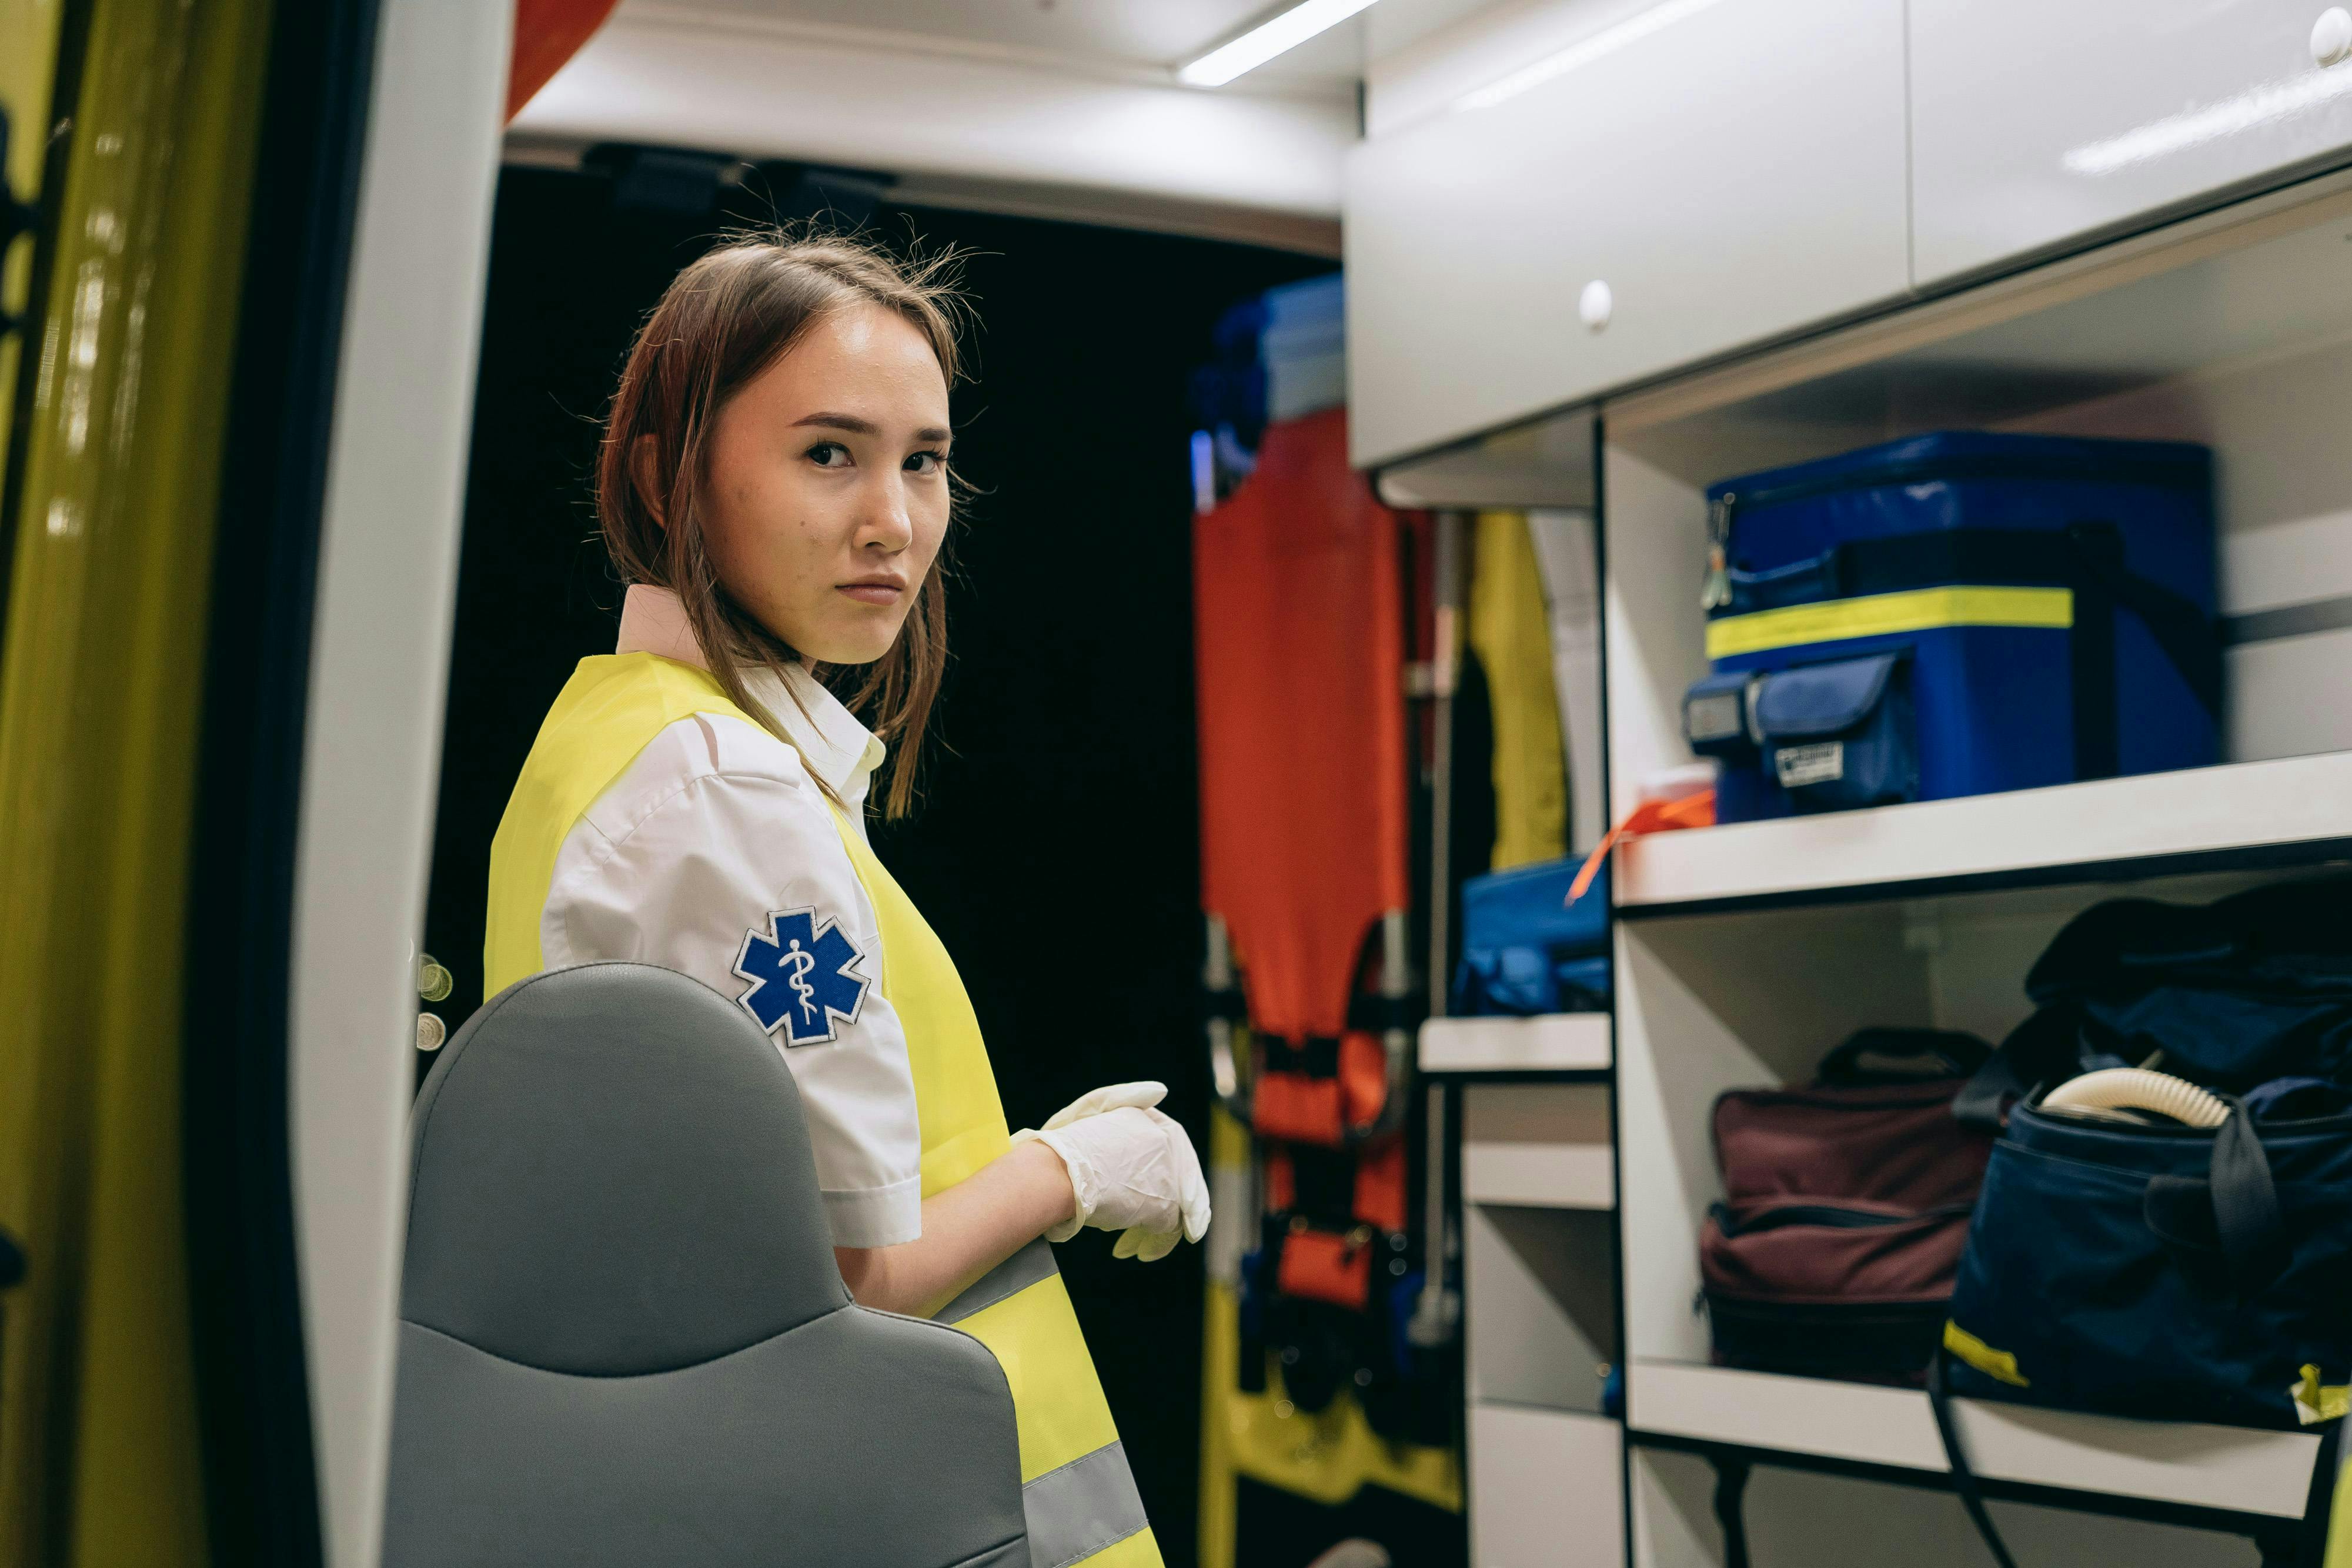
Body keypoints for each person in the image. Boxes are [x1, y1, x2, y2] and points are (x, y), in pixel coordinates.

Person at [482, 233, 1206, 1568]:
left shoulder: (620, 736)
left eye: (921, 459)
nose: (893, 518)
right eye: (829, 453)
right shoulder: (719, 787)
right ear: (667, 471)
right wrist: (1070, 1170)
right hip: (896, 1509)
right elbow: (844, 1274)